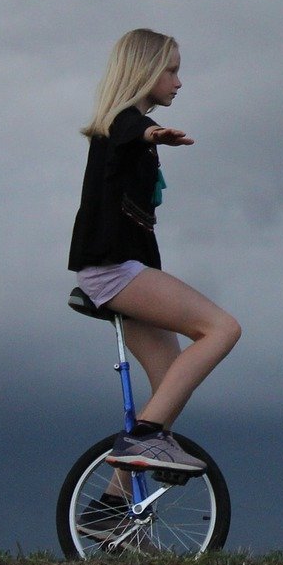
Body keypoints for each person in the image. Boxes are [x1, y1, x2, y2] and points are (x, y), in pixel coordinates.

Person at [69, 28, 241, 476]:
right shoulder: (122, 124)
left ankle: (111, 514)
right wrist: (153, 133)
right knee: (222, 329)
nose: (178, 82)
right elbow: (130, 130)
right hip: (112, 270)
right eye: (171, 70)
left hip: (123, 268)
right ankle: (143, 438)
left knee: (169, 385)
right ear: (144, 70)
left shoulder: (127, 128)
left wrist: (151, 137)